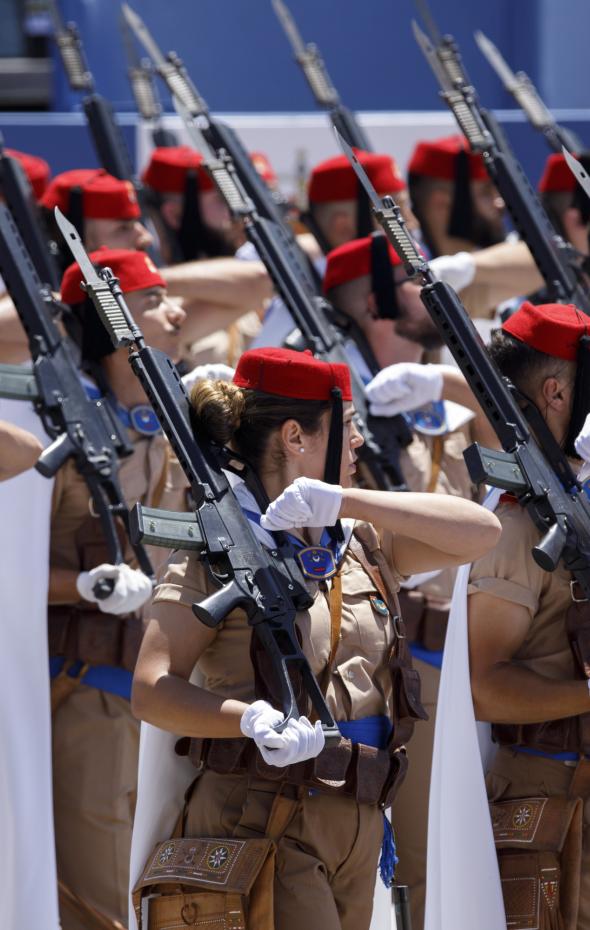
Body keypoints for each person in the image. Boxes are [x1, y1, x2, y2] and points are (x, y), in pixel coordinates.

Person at [131, 346, 501, 930]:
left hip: (359, 814)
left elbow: (482, 532)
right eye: (346, 428)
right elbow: (152, 688)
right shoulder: (217, 552)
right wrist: (246, 719)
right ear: (296, 437)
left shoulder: (360, 541)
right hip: (261, 811)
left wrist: (346, 501)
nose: (357, 444)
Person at [324, 234, 497, 928]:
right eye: (409, 287)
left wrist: (445, 384)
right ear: (372, 304)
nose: (432, 299)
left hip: (465, 657)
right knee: (389, 863)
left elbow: (513, 432)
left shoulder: (452, 394)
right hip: (388, 660)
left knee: (462, 858)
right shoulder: (333, 412)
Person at [49, 247, 188, 930]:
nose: (177, 311)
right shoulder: (59, 434)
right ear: (114, 322)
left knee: (145, 890)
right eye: (153, 300)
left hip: (149, 696)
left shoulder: (170, 425)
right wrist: (81, 583)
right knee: (99, 898)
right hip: (77, 687)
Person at [467, 301, 590, 928]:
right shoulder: (517, 523)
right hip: (548, 797)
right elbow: (484, 687)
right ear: (557, 391)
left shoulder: (582, 494)